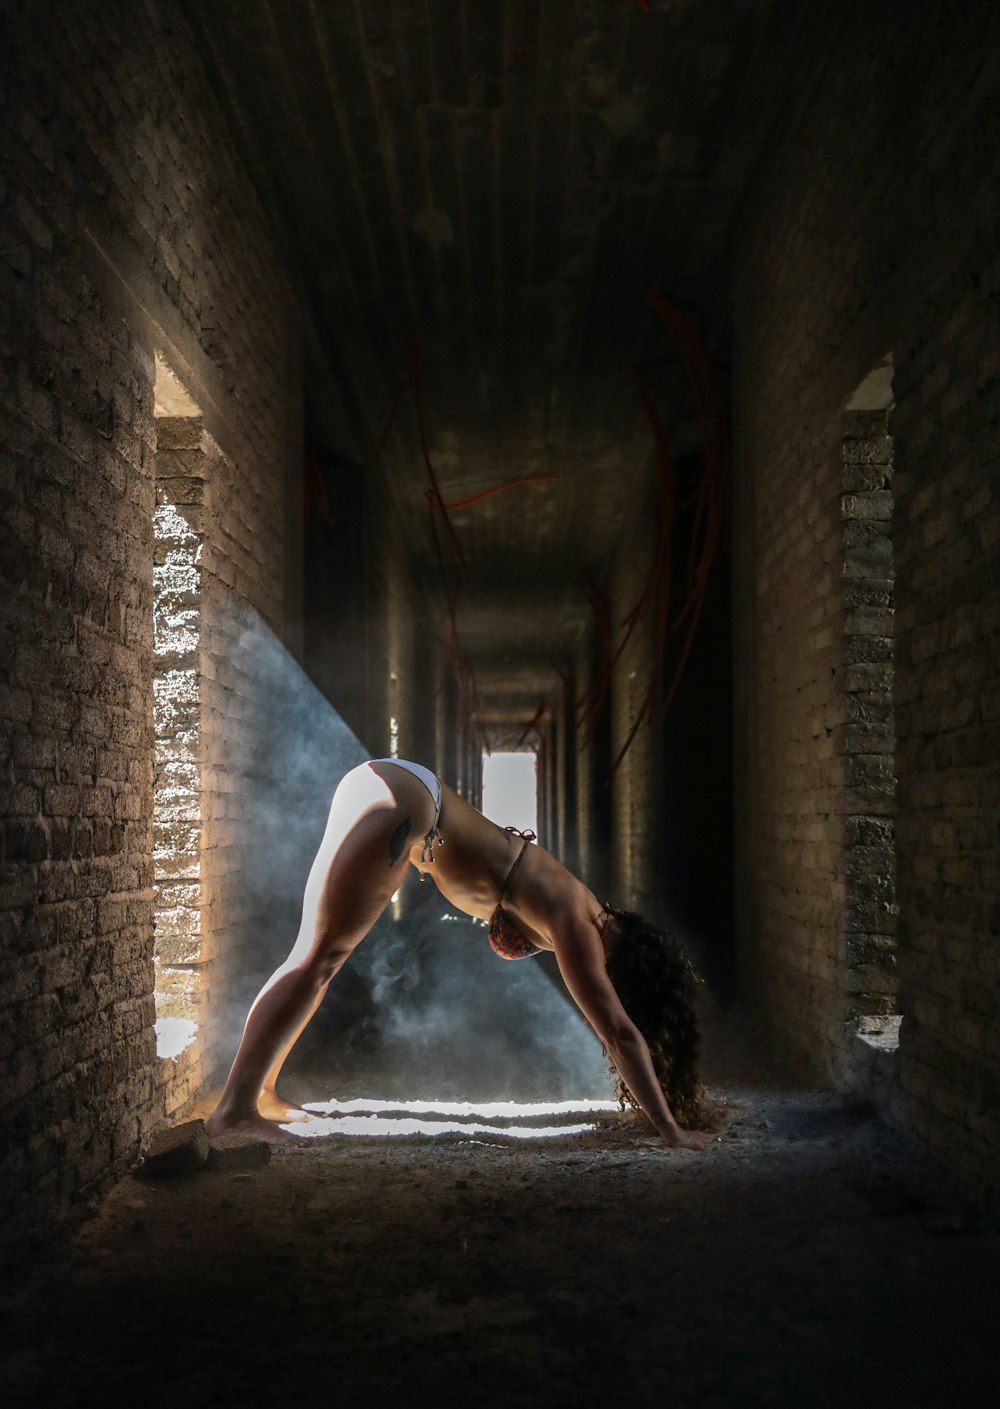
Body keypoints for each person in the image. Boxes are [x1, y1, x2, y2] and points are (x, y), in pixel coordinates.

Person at [206, 758, 715, 1151]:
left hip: (401, 789)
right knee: (317, 956)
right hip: (408, 806)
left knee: (321, 959)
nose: (608, 989)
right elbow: (620, 1033)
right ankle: (234, 1109)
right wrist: (669, 1129)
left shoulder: (584, 905)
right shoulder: (577, 924)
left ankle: (261, 1092)